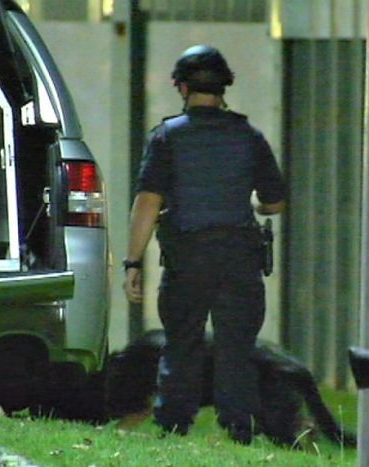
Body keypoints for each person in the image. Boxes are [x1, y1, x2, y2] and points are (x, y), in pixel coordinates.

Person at [122, 44, 286, 444]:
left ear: (182, 87)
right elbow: (275, 201)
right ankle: (238, 432)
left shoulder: (166, 138)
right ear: (224, 87)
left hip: (187, 259)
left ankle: (172, 428)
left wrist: (132, 262)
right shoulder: (250, 137)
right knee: (237, 349)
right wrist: (254, 205)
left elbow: (147, 203)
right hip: (240, 259)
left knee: (181, 345)